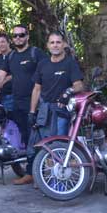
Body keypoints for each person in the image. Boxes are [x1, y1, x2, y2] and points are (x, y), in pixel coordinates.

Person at [21, 31, 84, 185]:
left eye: (58, 42)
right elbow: (36, 89)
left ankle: (59, 183)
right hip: (44, 111)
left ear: (63, 44)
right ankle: (46, 181)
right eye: (52, 42)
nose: (55, 45)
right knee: (44, 147)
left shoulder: (70, 63)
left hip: (62, 111)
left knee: (58, 146)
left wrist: (67, 92)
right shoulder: (43, 64)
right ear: (48, 45)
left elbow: (79, 85)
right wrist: (31, 111)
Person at [0, 24, 45, 156]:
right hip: (17, 103)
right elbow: (0, 78)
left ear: (27, 37)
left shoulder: (35, 53)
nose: (18, 38)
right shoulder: (11, 57)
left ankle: (39, 169)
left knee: (36, 137)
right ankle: (30, 171)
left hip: (35, 103)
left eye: (21, 35)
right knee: (24, 136)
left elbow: (47, 73)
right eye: (15, 35)